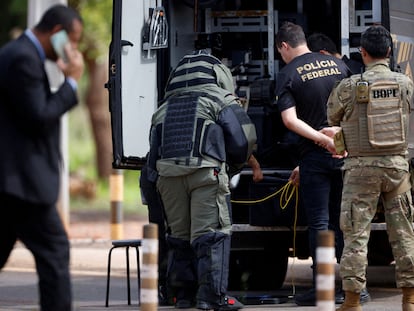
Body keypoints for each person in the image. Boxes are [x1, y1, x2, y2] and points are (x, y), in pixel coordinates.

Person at [146, 50, 258, 310]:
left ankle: (182, 296)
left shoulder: (163, 108)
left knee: (178, 237)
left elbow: (153, 155)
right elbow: (245, 140)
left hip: (168, 179)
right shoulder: (218, 98)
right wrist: (231, 165)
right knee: (211, 235)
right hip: (205, 174)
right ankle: (212, 298)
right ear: (219, 75)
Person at [0, 5, 84, 311]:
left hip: (12, 182)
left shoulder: (21, 54)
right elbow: (38, 117)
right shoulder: (23, 58)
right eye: (72, 41)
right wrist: (72, 83)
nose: (73, 49)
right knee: (55, 251)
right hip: (20, 182)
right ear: (57, 33)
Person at [324, 25, 414, 311]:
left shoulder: (349, 87)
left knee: (355, 237)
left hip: (360, 170)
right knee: (404, 235)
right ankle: (410, 300)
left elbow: (331, 116)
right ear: (389, 52)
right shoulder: (406, 84)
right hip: (397, 169)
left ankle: (352, 302)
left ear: (362, 53)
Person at [274, 21, 354, 306]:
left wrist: (322, 141)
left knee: (320, 223)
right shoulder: (338, 65)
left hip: (315, 158)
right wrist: (339, 139)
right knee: (344, 222)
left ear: (284, 46)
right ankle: (353, 288)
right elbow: (356, 109)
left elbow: (289, 120)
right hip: (345, 155)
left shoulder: (287, 73)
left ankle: (322, 288)